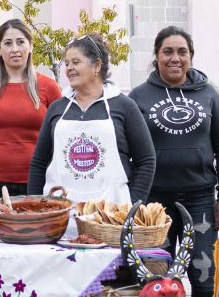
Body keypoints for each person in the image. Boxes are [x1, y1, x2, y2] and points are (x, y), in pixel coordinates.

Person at [128, 26, 219, 297]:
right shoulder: (138, 97)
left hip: (200, 201)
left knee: (203, 279)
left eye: (182, 52)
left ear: (190, 57)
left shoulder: (209, 95)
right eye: (168, 52)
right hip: (154, 207)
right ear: (157, 57)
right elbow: (129, 150)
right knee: (156, 281)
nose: (175, 58)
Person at [28, 34, 156, 207]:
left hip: (111, 217)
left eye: (76, 62)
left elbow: (146, 160)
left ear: (96, 65)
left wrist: (132, 205)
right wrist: (36, 207)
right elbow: (39, 163)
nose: (69, 68)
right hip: (59, 215)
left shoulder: (124, 106)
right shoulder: (57, 108)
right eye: (67, 63)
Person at [0, 19, 61, 219]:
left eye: (20, 42)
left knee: (32, 245)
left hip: (36, 183)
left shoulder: (49, 87)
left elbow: (60, 139)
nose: (15, 49)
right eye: (8, 43)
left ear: (30, 46)